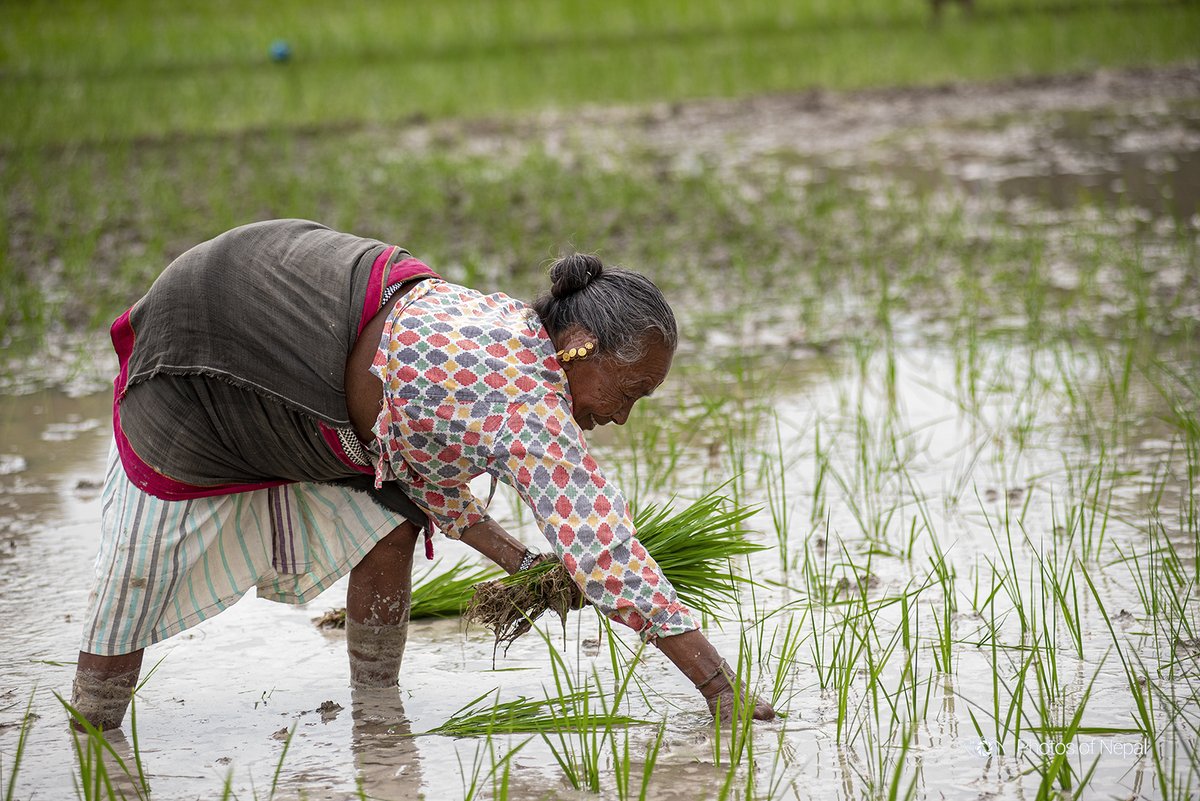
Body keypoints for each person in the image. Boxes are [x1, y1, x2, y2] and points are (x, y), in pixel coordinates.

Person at [71, 219, 775, 731]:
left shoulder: (515, 339)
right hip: (225, 326)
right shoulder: (526, 399)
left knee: (393, 512)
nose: (622, 415)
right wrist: (721, 690)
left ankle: (378, 717)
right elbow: (608, 553)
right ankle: (92, 725)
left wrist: (526, 564)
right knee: (146, 555)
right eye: (629, 390)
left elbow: (426, 477)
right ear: (580, 346)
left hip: (303, 319)